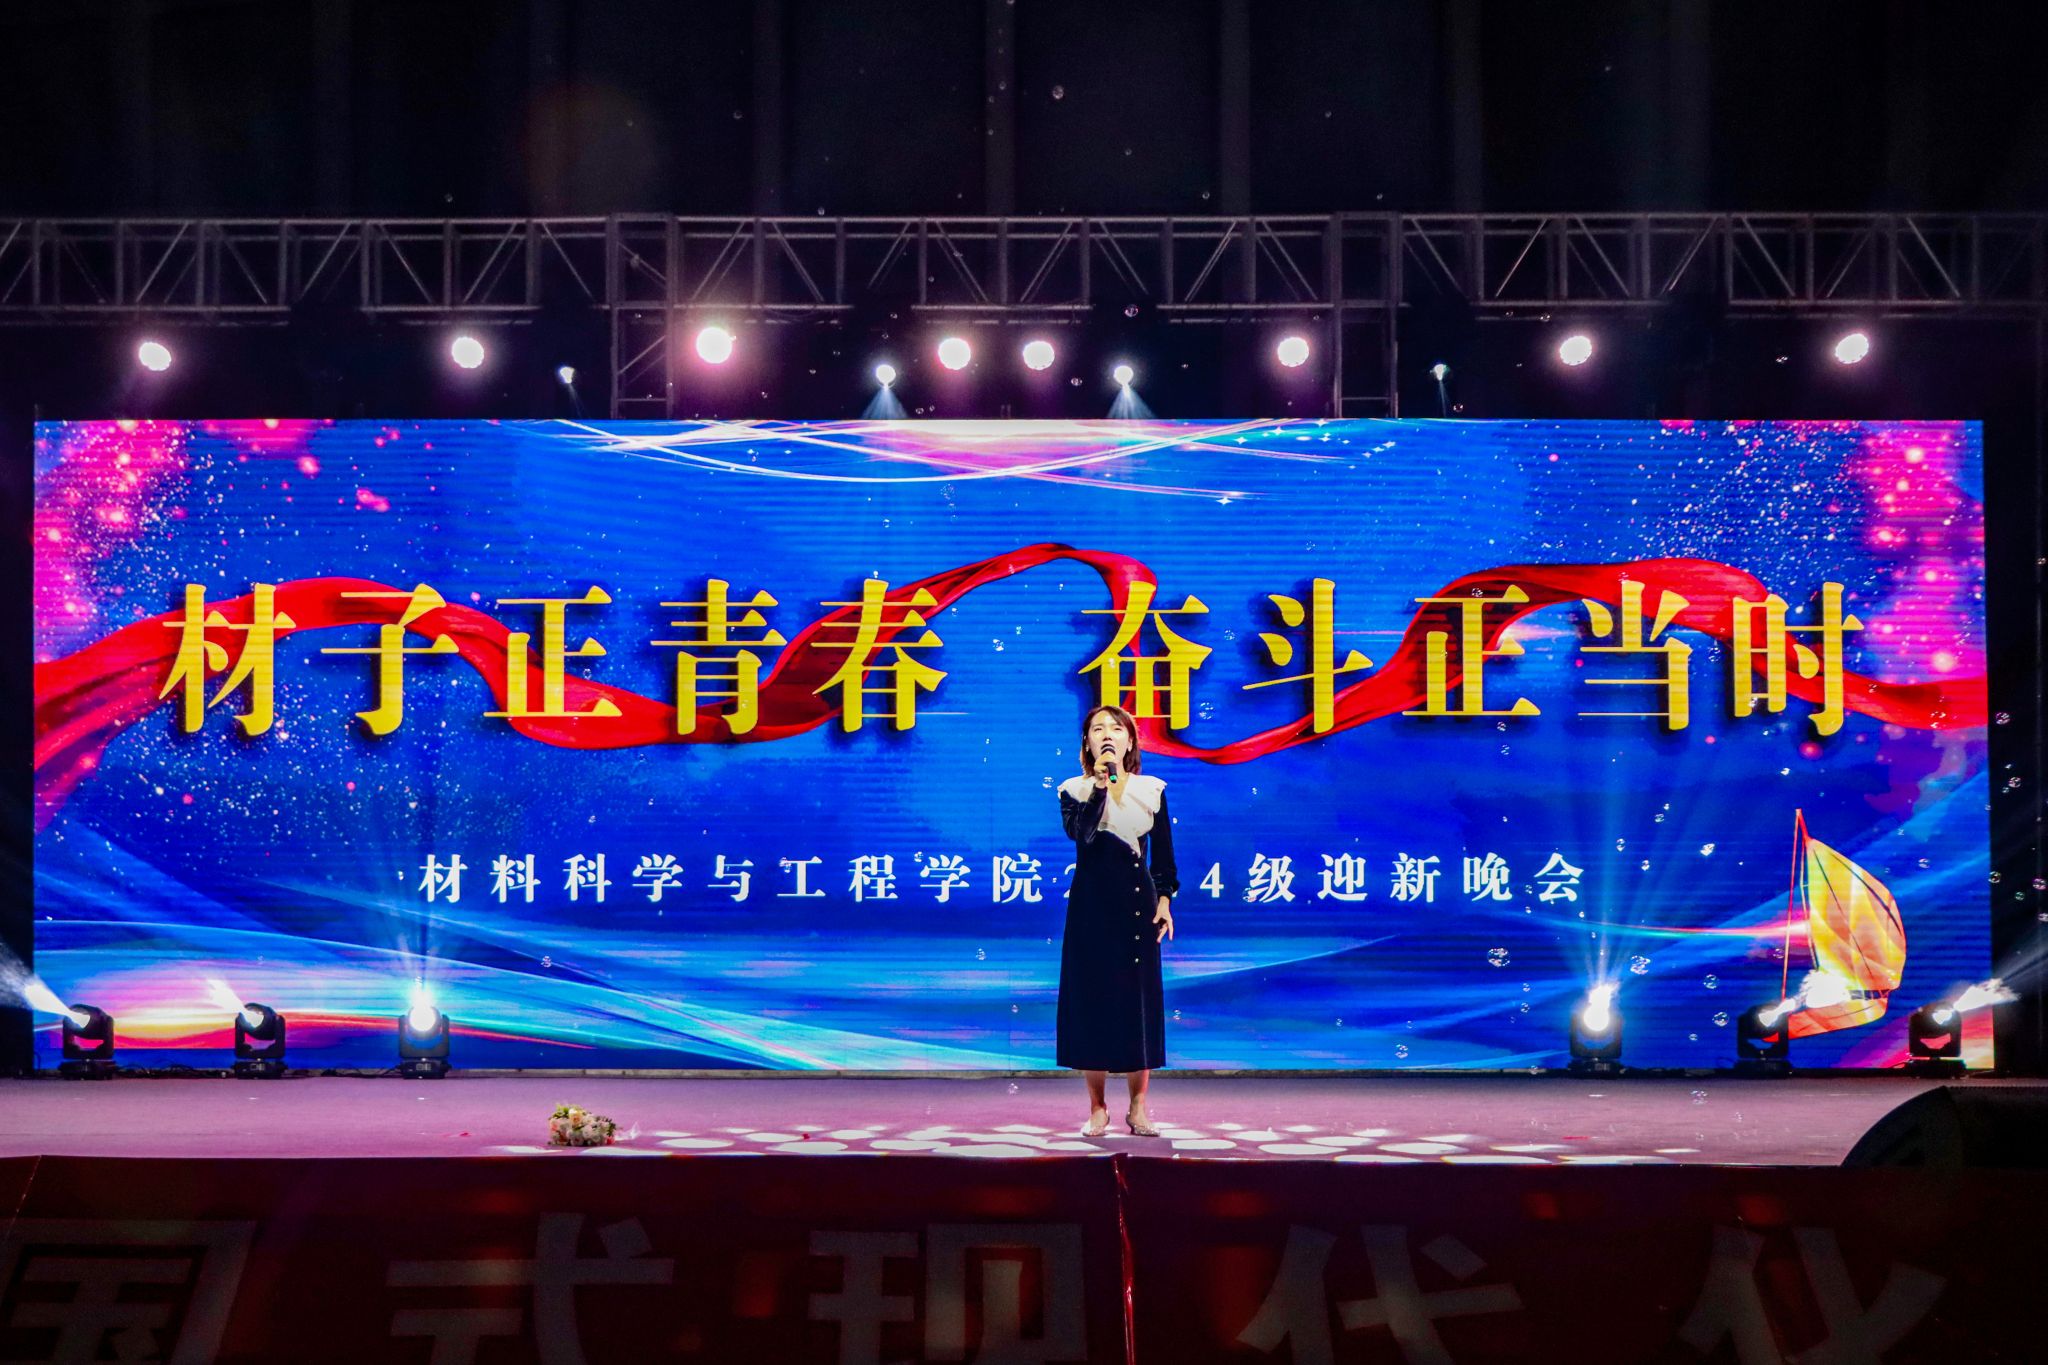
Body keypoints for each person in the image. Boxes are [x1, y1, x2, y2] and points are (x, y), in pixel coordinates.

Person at [1055, 703, 1178, 1137]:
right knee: (1092, 1003)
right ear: (1087, 744)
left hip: (1138, 907)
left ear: (1129, 742)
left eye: (1116, 728)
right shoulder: (1073, 790)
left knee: (1138, 1005)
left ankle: (1138, 1107)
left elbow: (1164, 857)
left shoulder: (1152, 790)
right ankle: (1098, 1107)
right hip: (1091, 908)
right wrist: (1100, 785)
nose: (1107, 734)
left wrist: (1164, 901)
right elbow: (1083, 834)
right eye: (1097, 729)